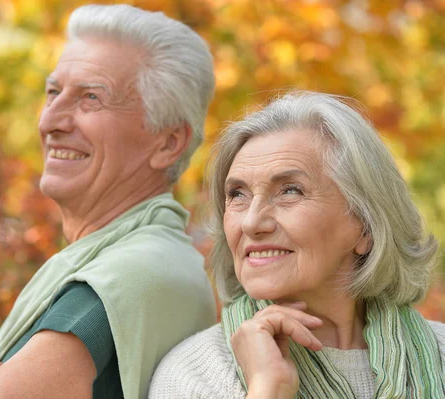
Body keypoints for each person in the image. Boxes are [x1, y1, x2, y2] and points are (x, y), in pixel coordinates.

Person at [0, 4, 216, 399]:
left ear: (168, 142)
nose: (50, 121)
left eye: (91, 98)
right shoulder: (160, 260)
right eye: (53, 92)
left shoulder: (124, 279)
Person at [148, 91, 445, 398]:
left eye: (290, 191)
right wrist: (268, 390)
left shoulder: (439, 358)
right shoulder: (195, 373)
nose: (251, 222)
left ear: (366, 227)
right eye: (238, 194)